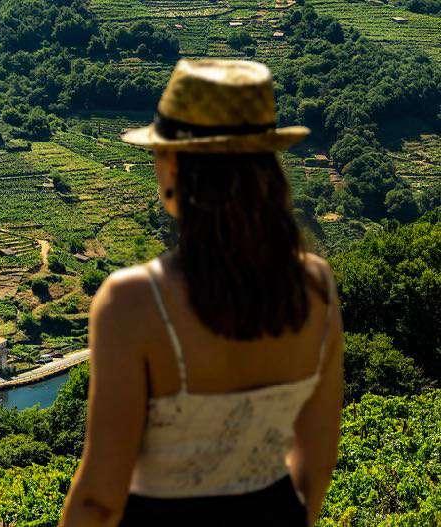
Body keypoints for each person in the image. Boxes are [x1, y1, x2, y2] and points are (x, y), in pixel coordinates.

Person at [59, 59, 344, 527]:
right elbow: (316, 464)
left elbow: (99, 499)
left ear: (174, 165)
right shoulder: (316, 287)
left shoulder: (132, 301)